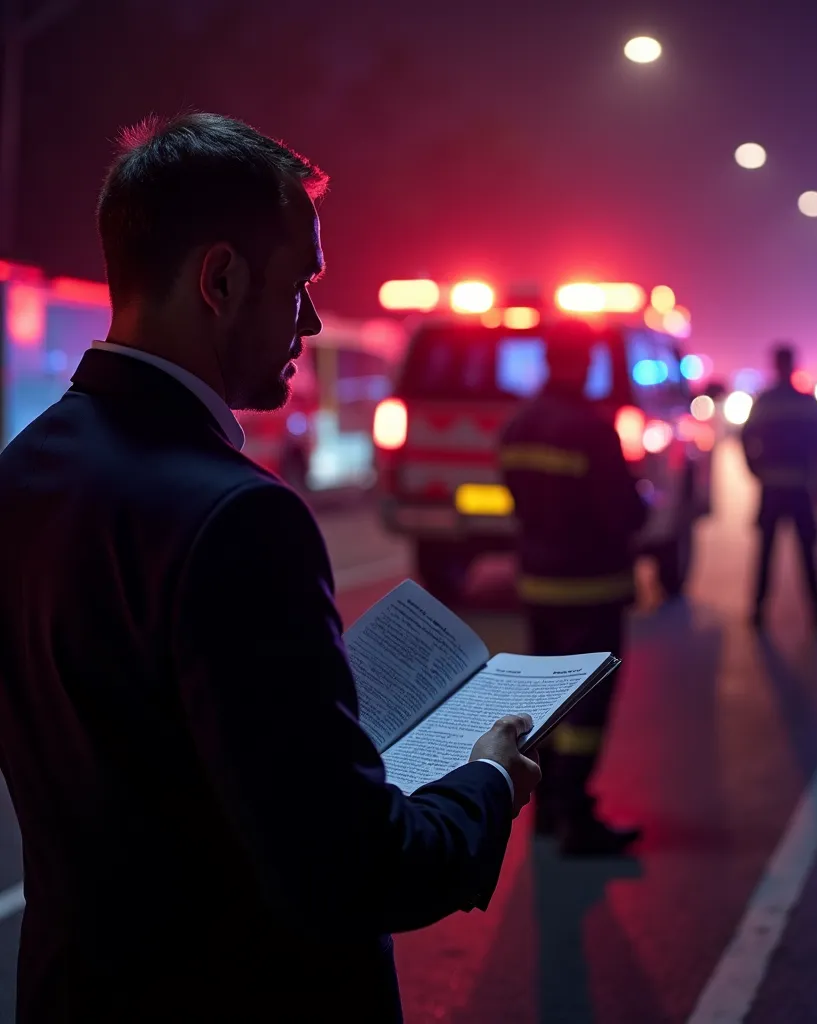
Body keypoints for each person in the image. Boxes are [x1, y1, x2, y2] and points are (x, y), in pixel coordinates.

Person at [0, 113, 541, 1024]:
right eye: (300, 284)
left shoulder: (23, 474)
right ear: (220, 280)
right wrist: (486, 781)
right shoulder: (240, 517)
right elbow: (349, 870)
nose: (314, 320)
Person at [498, 322, 647, 856]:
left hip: (539, 585)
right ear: (585, 362)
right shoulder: (591, 428)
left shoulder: (518, 425)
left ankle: (544, 809)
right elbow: (623, 513)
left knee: (548, 705)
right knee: (587, 710)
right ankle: (576, 818)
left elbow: (515, 497)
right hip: (593, 588)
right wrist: (642, 503)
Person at [741, 342, 817, 631]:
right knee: (806, 553)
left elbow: (746, 438)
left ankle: (758, 613)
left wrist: (755, 469)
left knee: (767, 553)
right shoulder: (805, 402)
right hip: (798, 488)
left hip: (773, 488)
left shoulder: (765, 401)